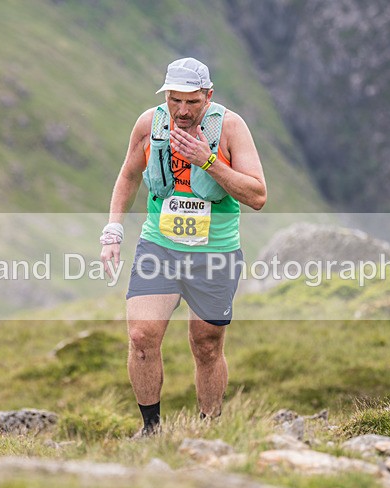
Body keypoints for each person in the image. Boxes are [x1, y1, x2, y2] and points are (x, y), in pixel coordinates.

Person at [100, 57, 266, 436]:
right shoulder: (150, 123)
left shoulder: (230, 127)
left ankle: (210, 430)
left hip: (215, 251)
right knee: (141, 336)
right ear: (166, 95)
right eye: (175, 100)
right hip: (160, 246)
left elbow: (257, 195)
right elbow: (128, 174)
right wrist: (113, 230)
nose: (182, 111)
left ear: (208, 96)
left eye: (192, 102)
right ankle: (151, 431)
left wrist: (206, 160)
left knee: (206, 345)